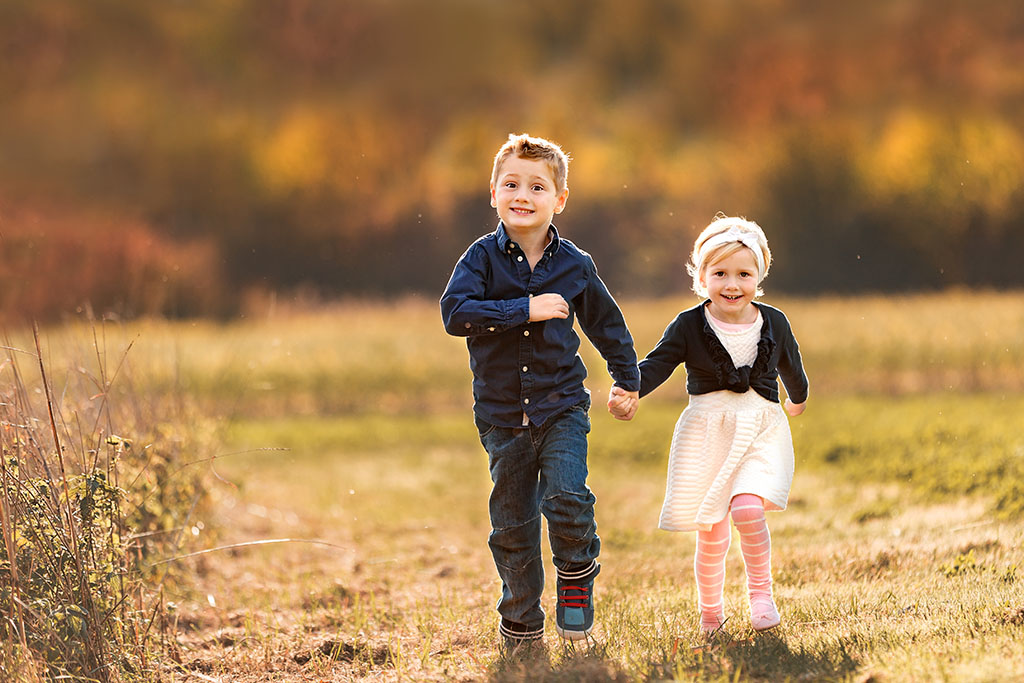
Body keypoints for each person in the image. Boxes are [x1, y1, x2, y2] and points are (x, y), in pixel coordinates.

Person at [441, 133, 640, 650]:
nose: (522, 195)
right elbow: (455, 314)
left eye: (537, 186)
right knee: (512, 526)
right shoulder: (480, 260)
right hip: (502, 416)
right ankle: (522, 622)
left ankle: (576, 576)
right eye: (511, 184)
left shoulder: (576, 264)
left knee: (567, 496)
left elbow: (607, 325)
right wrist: (522, 310)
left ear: (560, 200)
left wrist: (627, 380)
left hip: (561, 406)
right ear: (493, 193)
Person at [609, 214, 808, 635]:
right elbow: (656, 364)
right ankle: (711, 615)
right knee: (713, 530)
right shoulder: (688, 325)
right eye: (719, 273)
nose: (731, 284)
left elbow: (791, 363)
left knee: (748, 509)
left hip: (760, 429)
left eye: (743, 273)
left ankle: (761, 596)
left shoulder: (774, 322)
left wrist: (800, 397)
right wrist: (630, 389)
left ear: (759, 275)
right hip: (708, 433)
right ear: (701, 277)